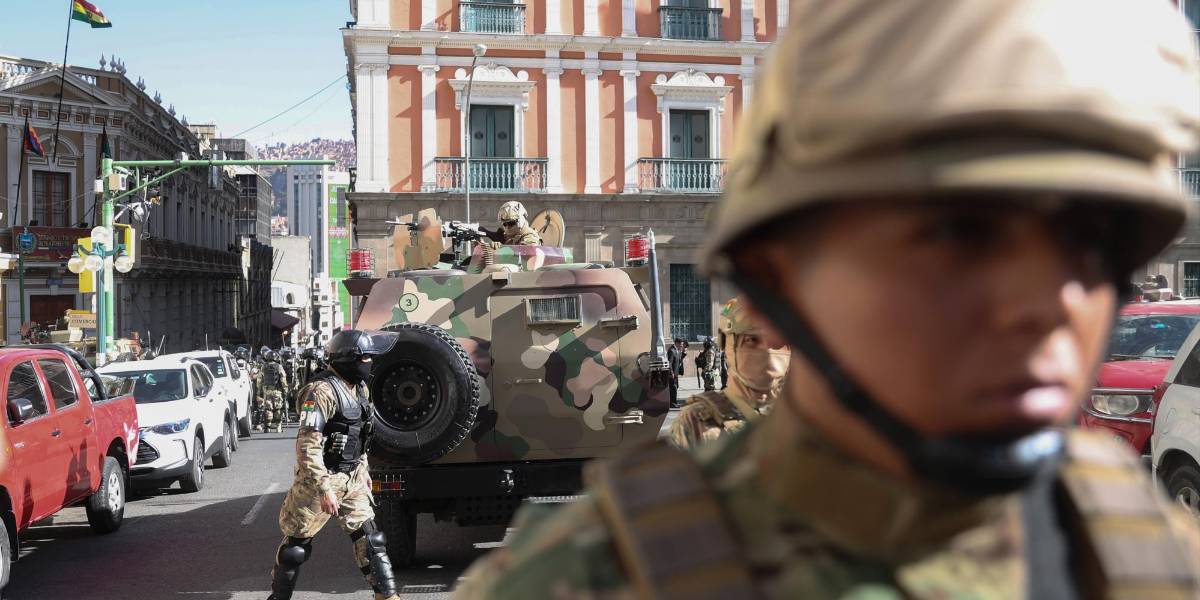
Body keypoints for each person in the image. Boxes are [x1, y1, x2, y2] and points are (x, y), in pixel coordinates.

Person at [453, 0, 1200, 597]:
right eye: (961, 235)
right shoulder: (592, 580)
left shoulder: (1153, 559)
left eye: (1095, 240)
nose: (1050, 304)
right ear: (774, 284)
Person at [267, 329, 401, 600]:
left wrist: (362, 468)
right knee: (297, 547)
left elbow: (361, 434)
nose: (370, 363)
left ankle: (387, 596)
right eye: (365, 358)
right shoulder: (320, 392)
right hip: (321, 480)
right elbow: (307, 446)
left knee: (371, 540)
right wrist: (324, 488)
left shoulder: (360, 388)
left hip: (352, 477)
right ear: (347, 360)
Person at [668, 297, 789, 450]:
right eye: (752, 340)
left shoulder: (809, 416)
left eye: (778, 341)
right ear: (727, 344)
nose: (767, 351)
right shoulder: (696, 421)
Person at [258, 350, 288, 433]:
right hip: (277, 390)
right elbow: (283, 379)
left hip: (267, 390)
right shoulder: (279, 366)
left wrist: (259, 391)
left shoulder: (263, 366)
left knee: (268, 408)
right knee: (278, 408)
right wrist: (285, 390)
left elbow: (260, 379)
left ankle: (267, 427)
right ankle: (278, 427)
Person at [666, 338, 685, 408]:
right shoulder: (671, 350)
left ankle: (674, 402)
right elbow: (669, 363)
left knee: (675, 387)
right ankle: (672, 403)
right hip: (672, 374)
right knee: (673, 388)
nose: (682, 345)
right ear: (677, 343)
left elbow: (678, 360)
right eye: (681, 344)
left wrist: (683, 353)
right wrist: (671, 373)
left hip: (676, 373)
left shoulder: (677, 350)